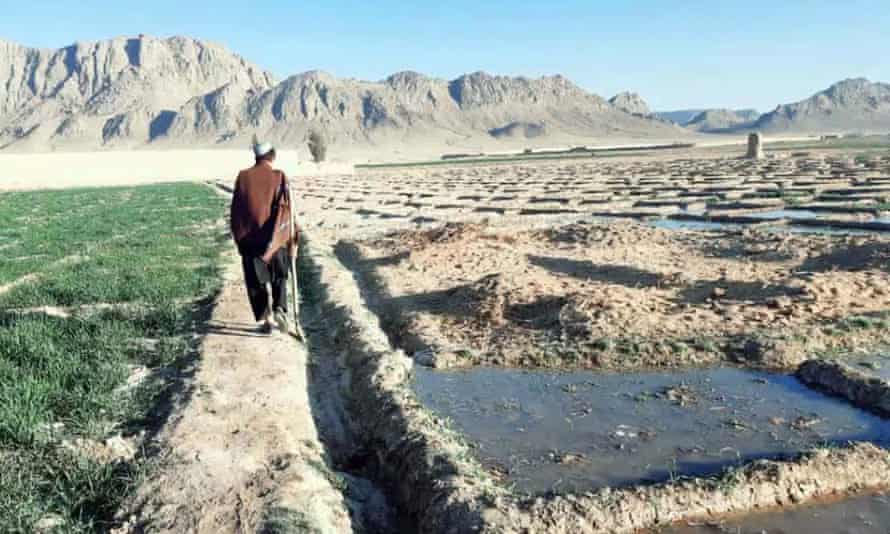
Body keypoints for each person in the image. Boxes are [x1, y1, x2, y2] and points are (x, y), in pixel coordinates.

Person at [230, 141, 293, 334]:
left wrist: (239, 237)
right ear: (272, 156)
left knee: (256, 283)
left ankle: (267, 320)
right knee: (280, 277)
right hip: (275, 239)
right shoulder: (279, 176)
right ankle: (280, 308)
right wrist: (292, 235)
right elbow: (287, 208)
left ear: (256, 157)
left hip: (250, 240)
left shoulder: (242, 177)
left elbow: (236, 210)